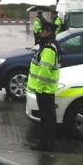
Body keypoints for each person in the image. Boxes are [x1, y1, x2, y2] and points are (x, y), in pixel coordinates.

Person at [26, 21, 61, 151]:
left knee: (46, 119)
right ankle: (47, 142)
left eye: (44, 31)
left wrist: (39, 88)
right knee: (48, 117)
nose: (41, 33)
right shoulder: (49, 46)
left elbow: (44, 71)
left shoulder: (48, 49)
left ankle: (45, 143)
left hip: (44, 90)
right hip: (47, 90)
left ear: (48, 32)